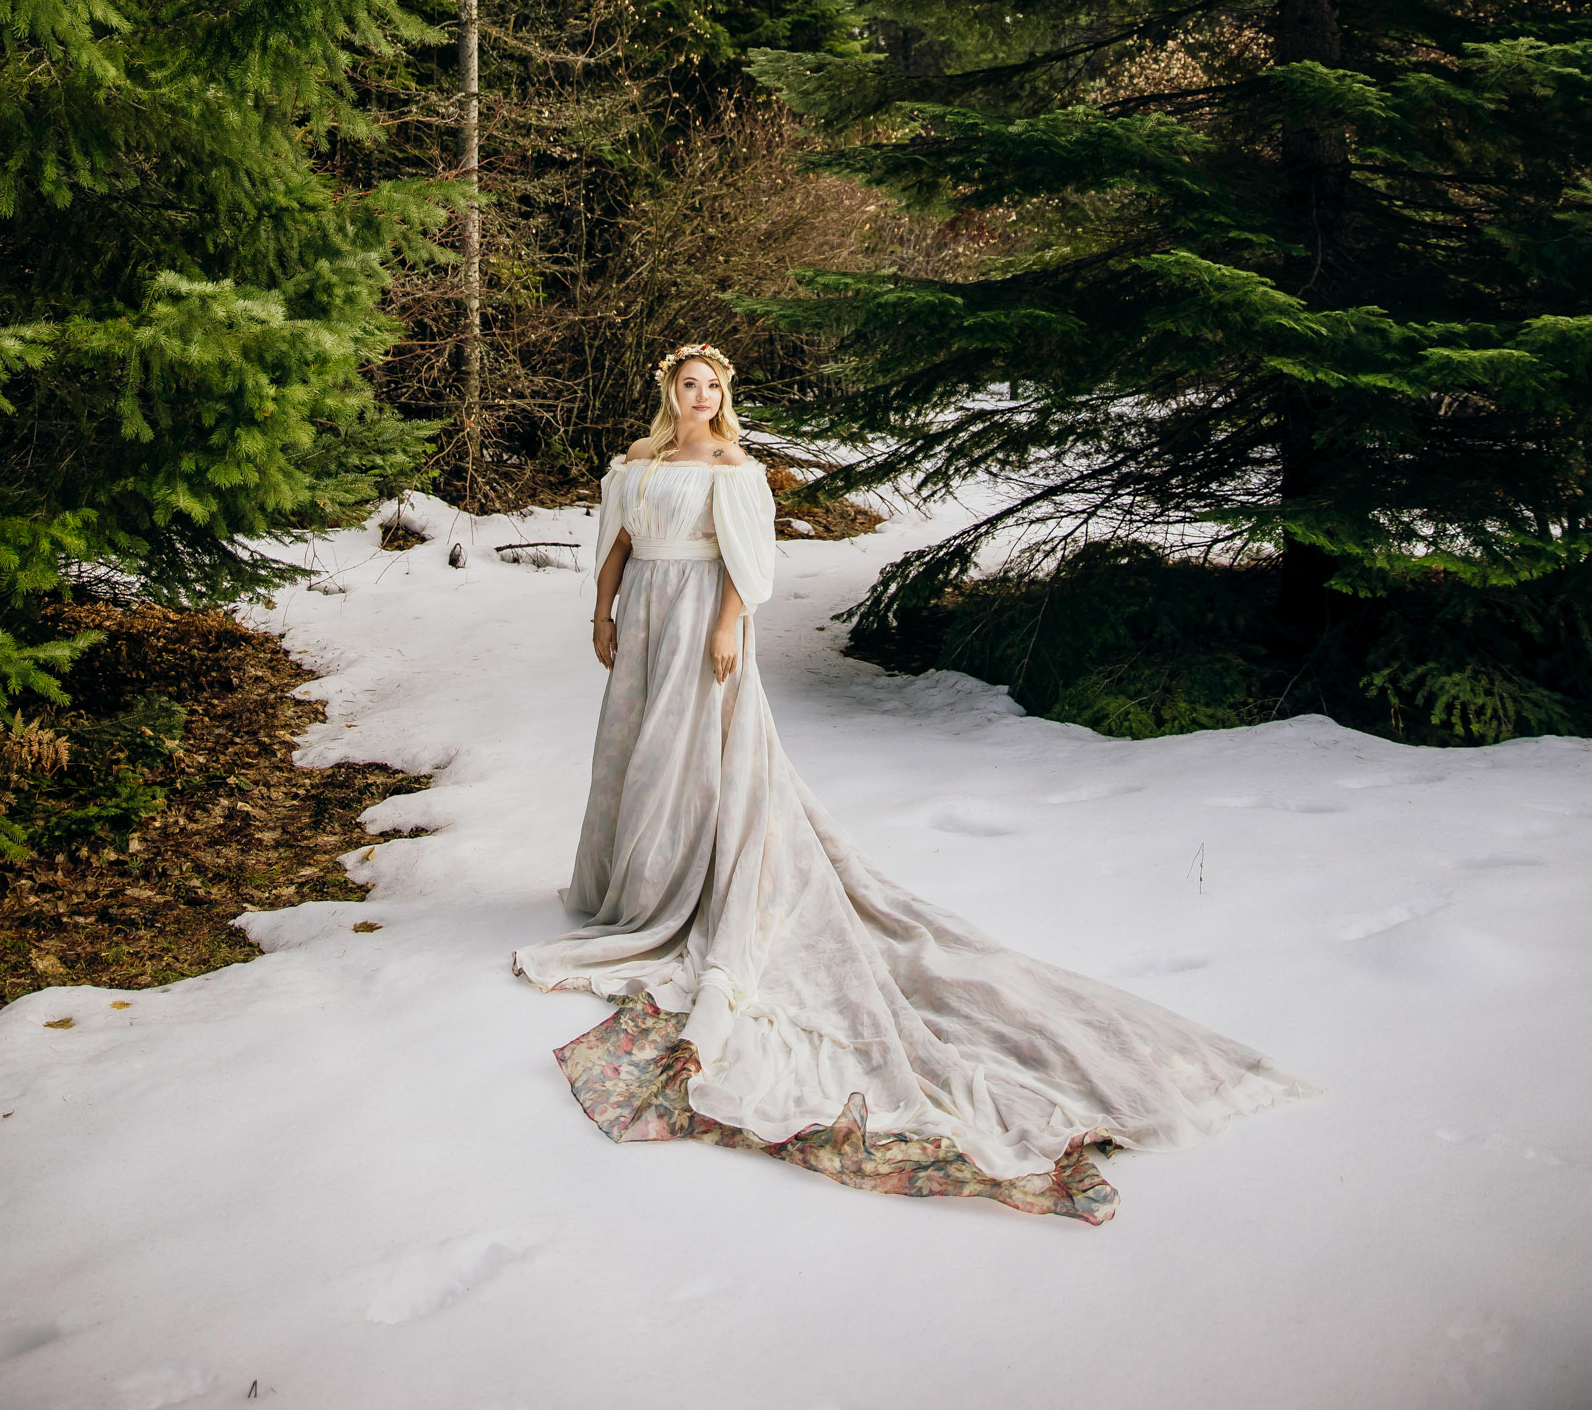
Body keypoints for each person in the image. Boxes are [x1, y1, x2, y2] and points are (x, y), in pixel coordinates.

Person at [513, 342, 1308, 1221]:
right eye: (686, 385)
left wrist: (729, 630)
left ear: (723, 395)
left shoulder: (733, 466)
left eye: (711, 387)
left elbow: (747, 564)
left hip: (702, 613)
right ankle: (633, 883)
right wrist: (600, 613)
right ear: (667, 389)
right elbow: (617, 543)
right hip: (641, 618)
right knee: (633, 750)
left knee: (691, 752)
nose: (699, 397)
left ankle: (692, 883)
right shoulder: (634, 462)